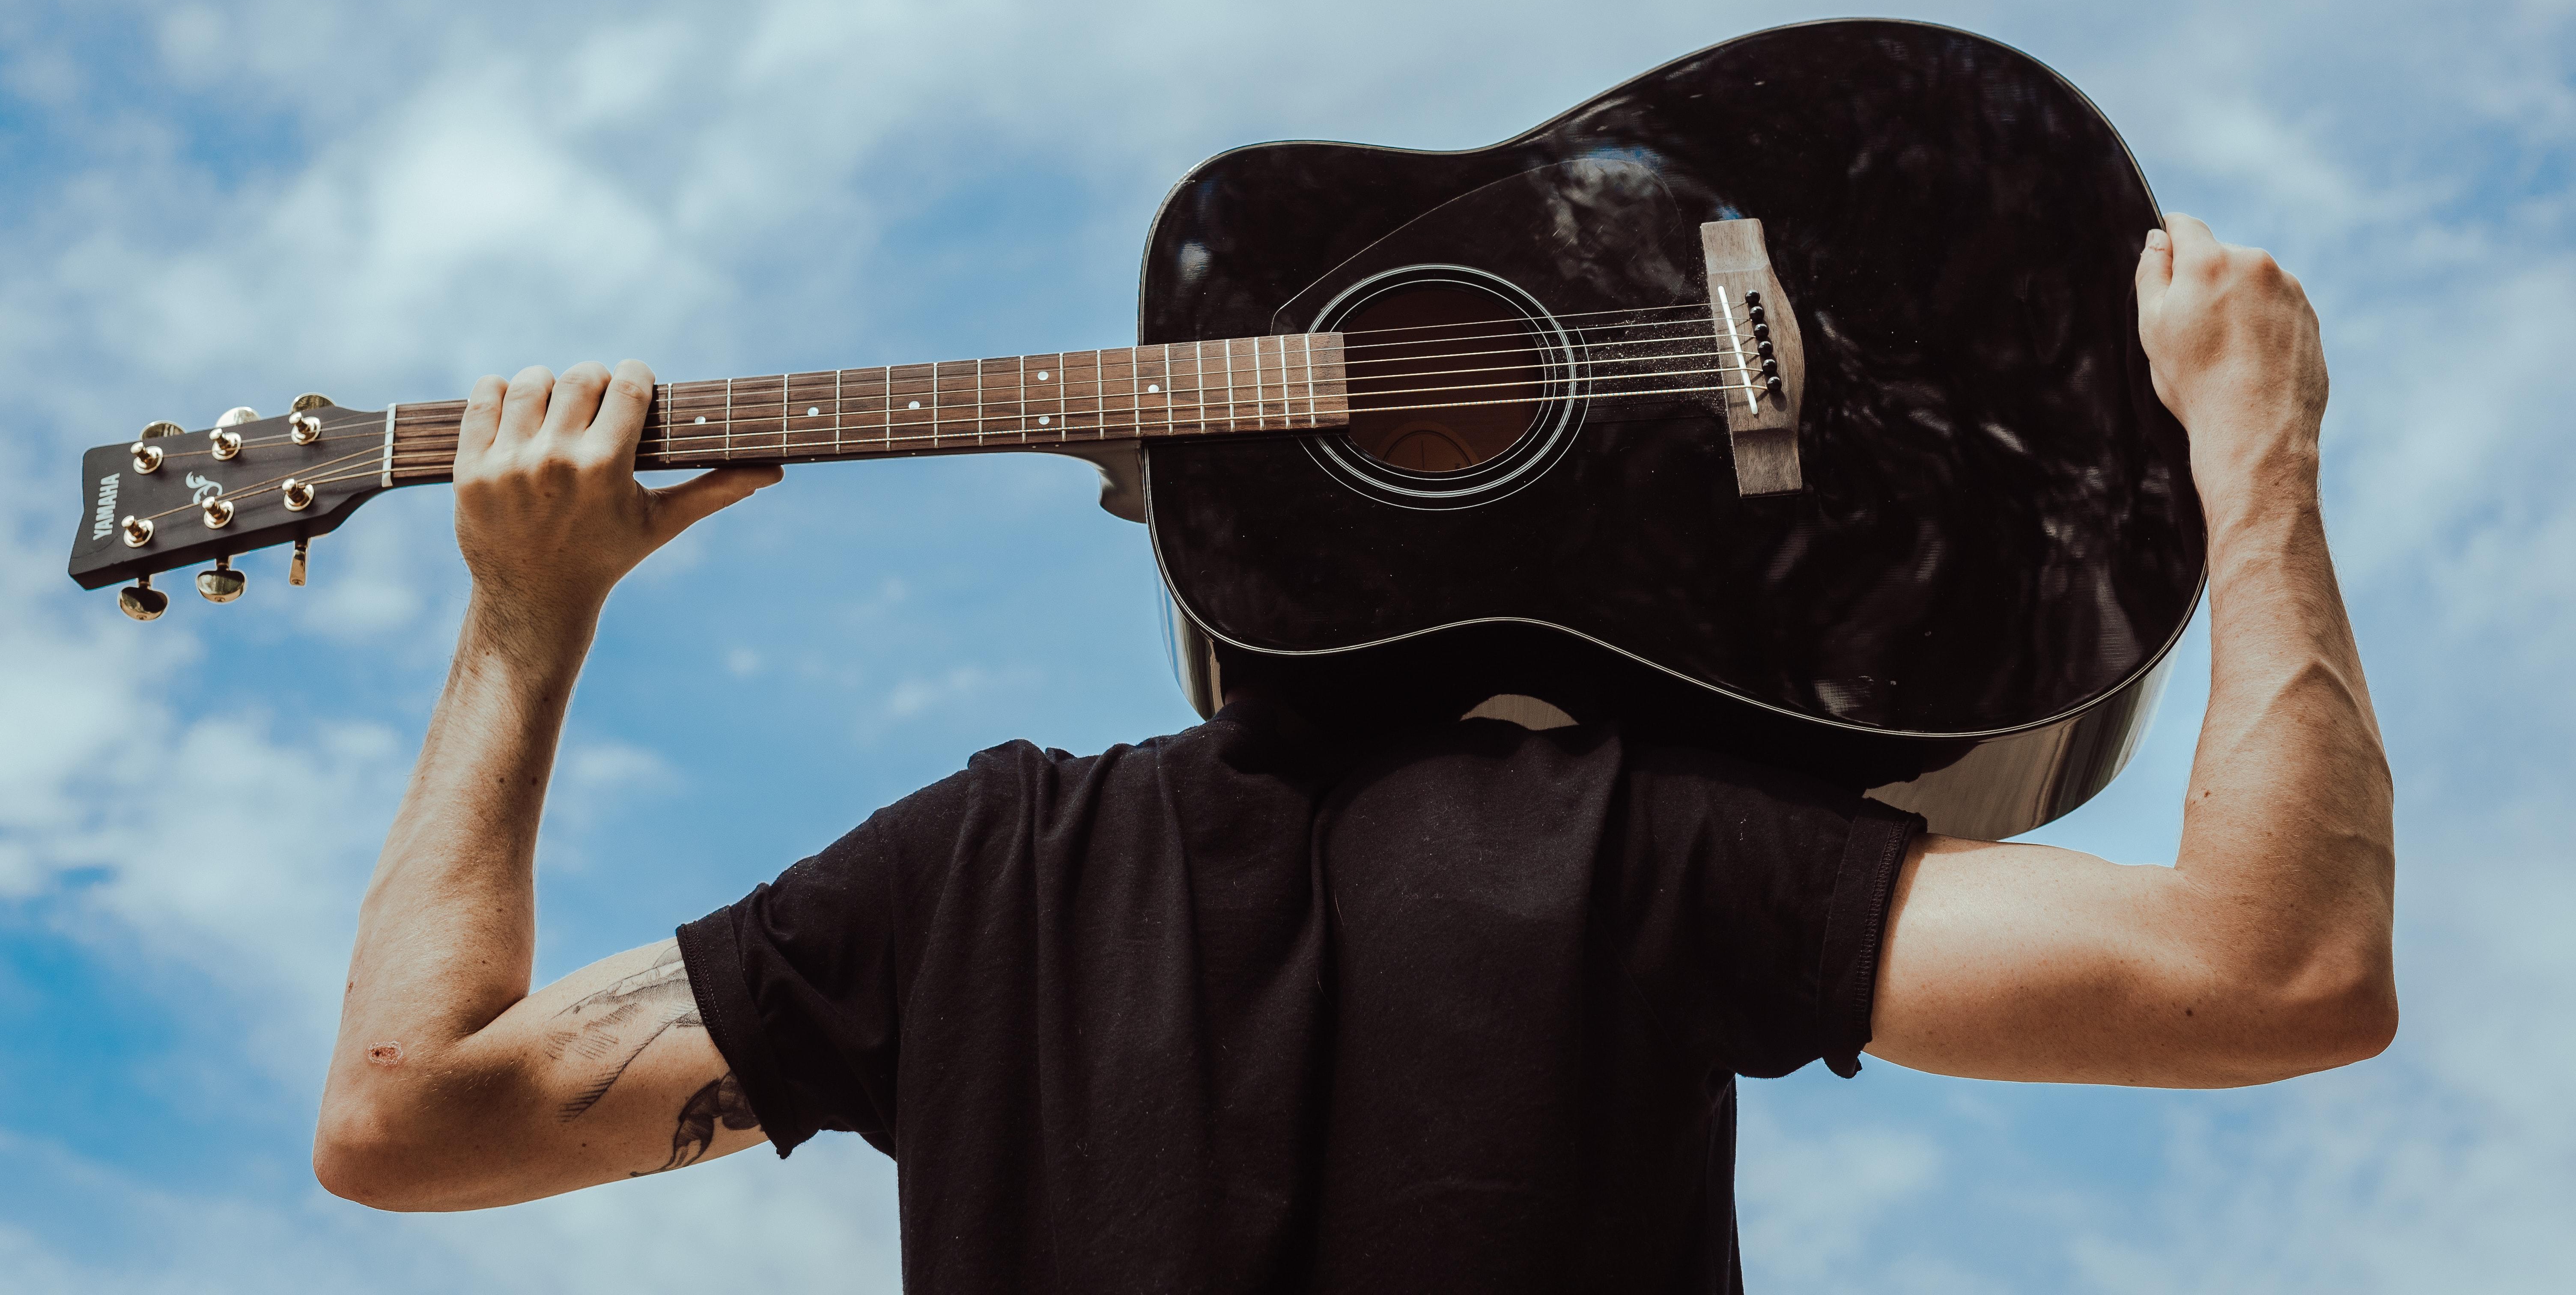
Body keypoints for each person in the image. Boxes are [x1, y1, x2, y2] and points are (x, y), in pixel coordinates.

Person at [311, 216, 2397, 1290]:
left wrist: (522, 619)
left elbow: (409, 1118)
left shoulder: (974, 872)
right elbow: (2276, 969)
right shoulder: (1643, 844)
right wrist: (2256, 452)